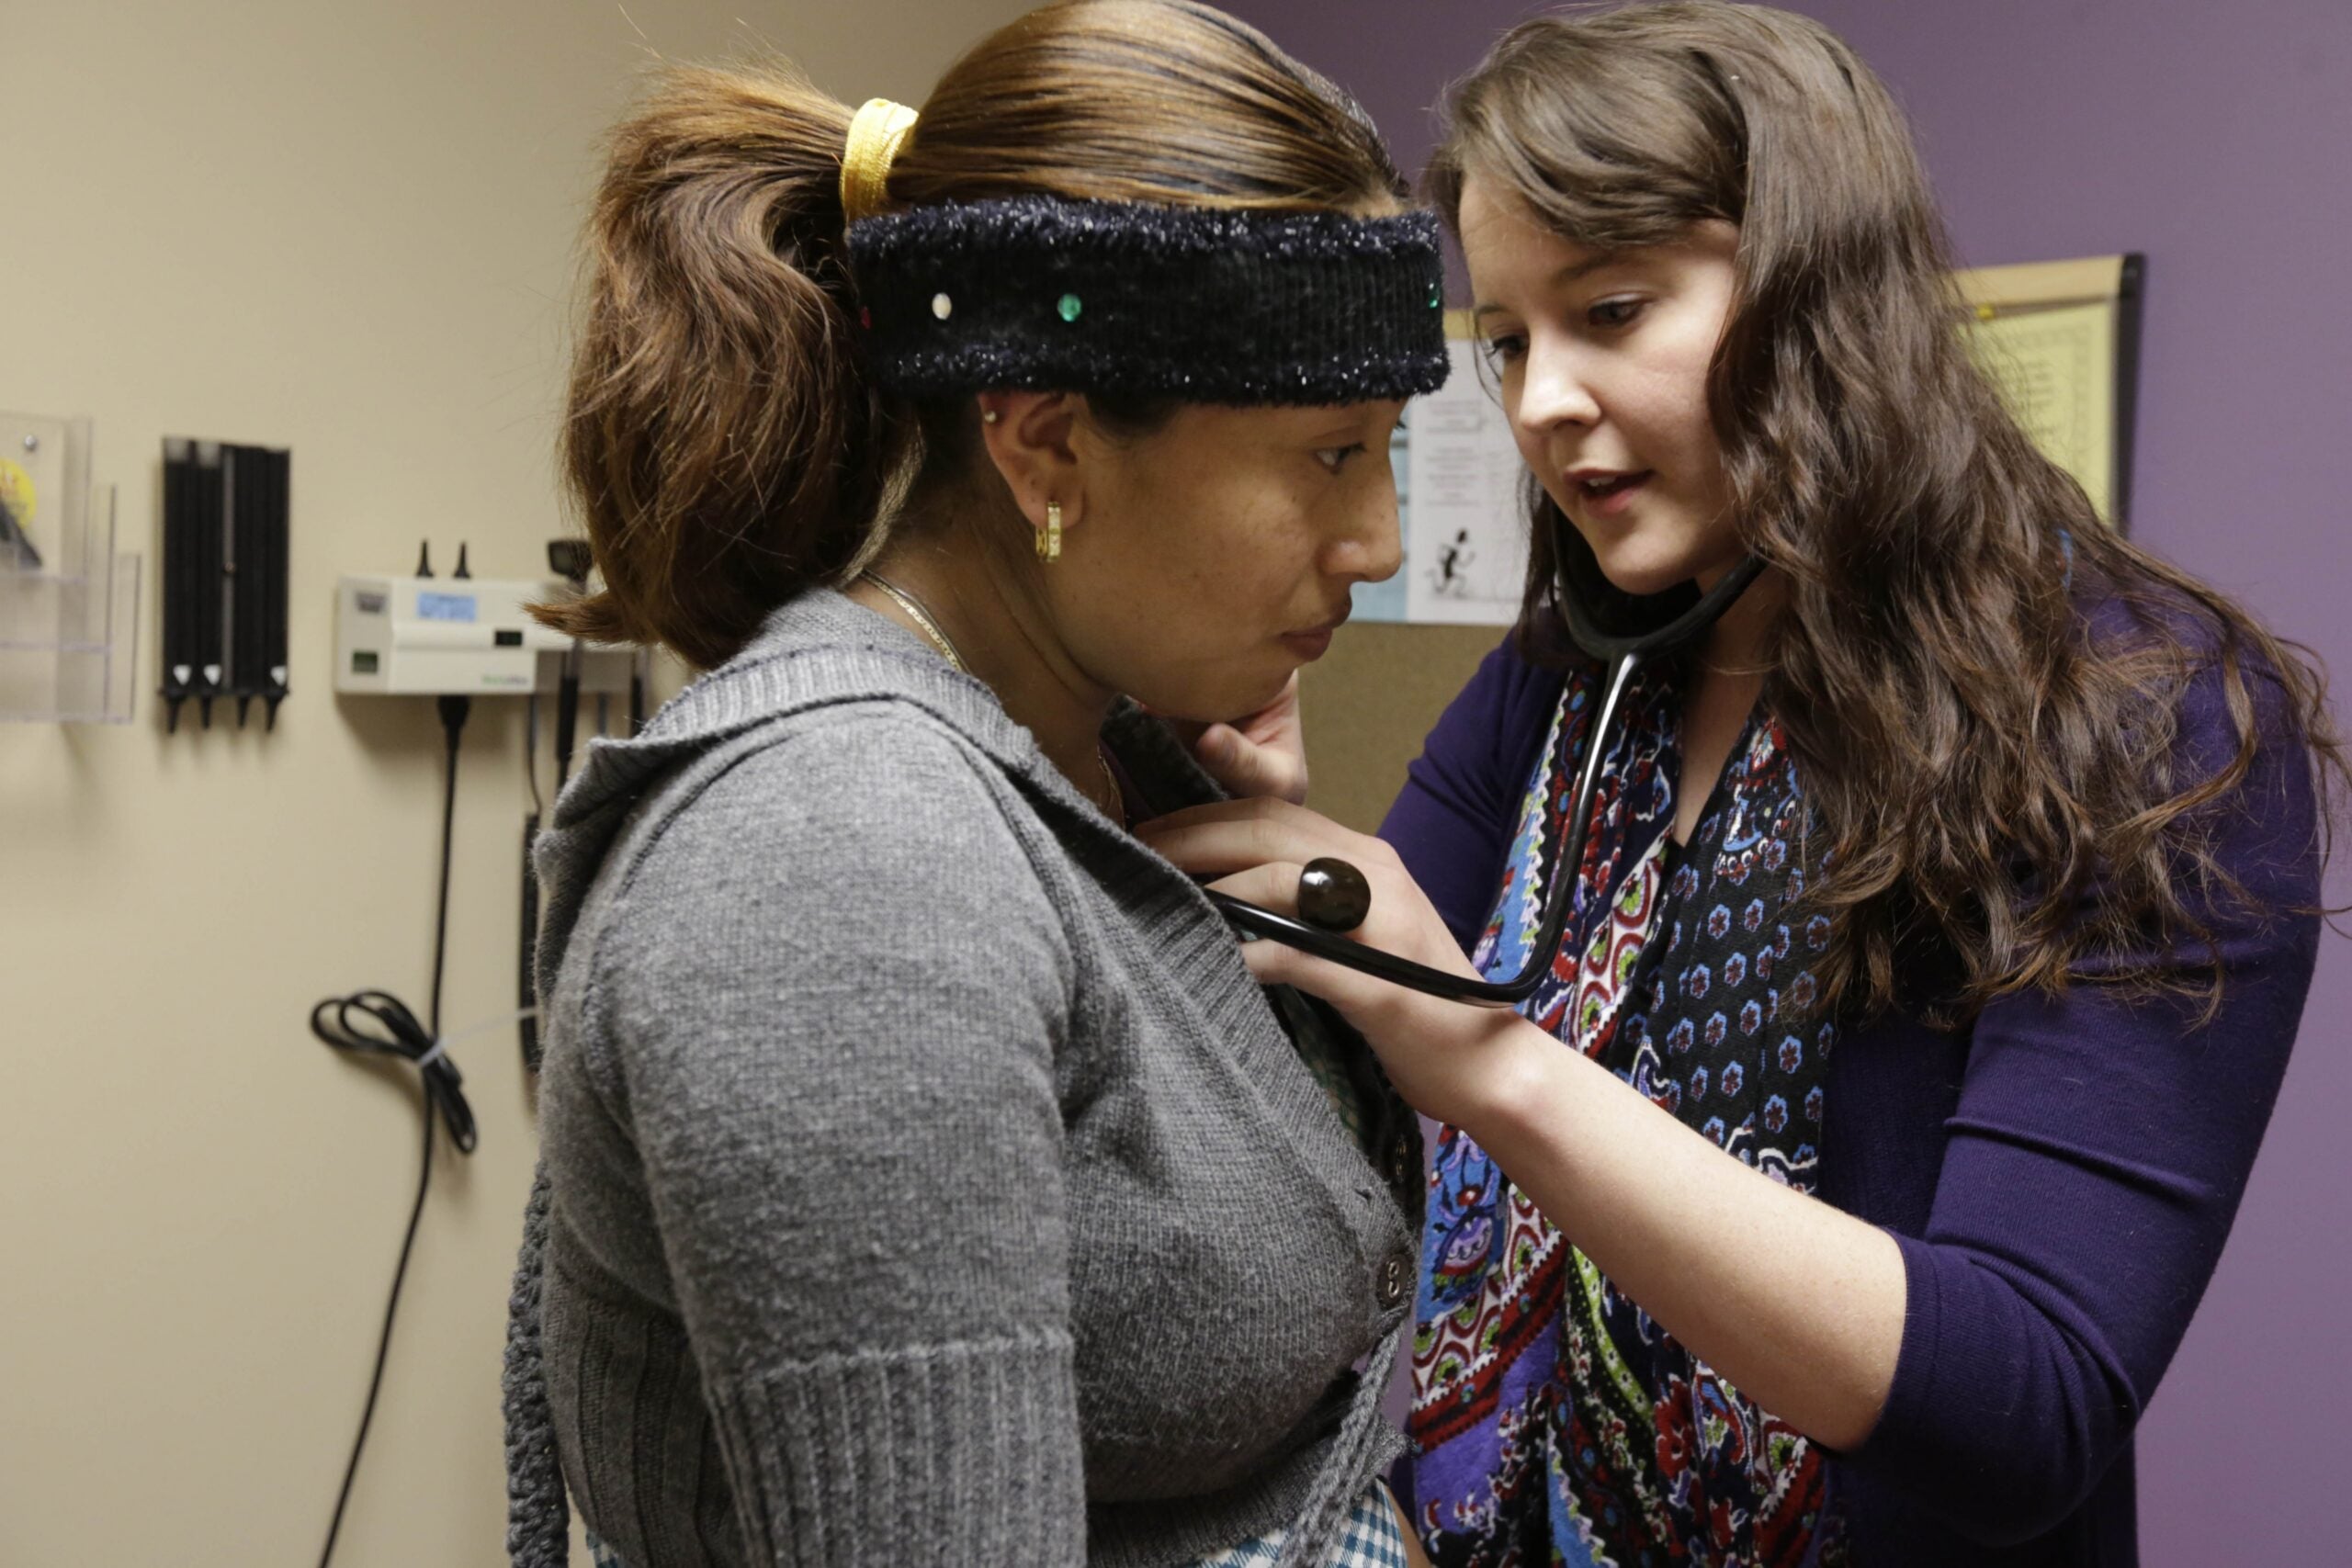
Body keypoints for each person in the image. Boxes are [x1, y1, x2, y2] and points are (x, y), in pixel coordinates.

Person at [1141, 5, 2339, 1565]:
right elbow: (1379, 1015)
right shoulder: (1580, 671)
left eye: (1613, 308)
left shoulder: (2146, 718)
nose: (1539, 400)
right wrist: (1294, 838)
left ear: (1816, 293)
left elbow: (2024, 1395)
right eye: (1508, 338)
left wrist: (1499, 1066)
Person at [497, 4, 1460, 1564]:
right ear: (1043, 446)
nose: (1380, 546)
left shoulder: (1092, 755)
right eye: (1331, 457)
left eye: (1390, 455)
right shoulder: (835, 859)